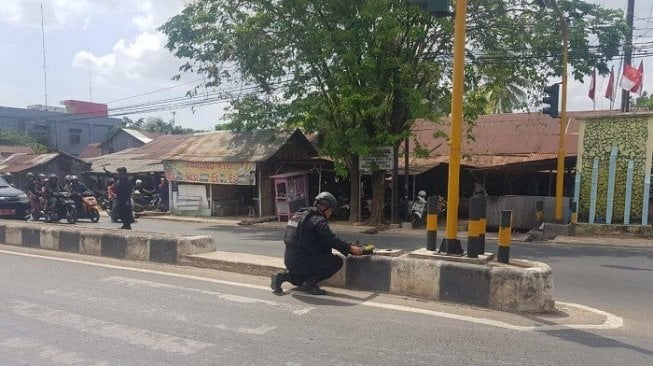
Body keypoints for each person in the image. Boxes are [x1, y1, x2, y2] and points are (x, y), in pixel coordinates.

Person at [271, 191, 364, 295]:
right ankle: (310, 284)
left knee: (300, 279)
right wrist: (351, 249)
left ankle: (281, 276)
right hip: (303, 261)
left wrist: (348, 245)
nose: (331, 213)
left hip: (289, 260)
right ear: (326, 207)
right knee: (336, 261)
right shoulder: (318, 221)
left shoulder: (298, 215)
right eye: (331, 210)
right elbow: (332, 240)